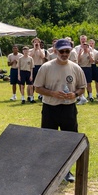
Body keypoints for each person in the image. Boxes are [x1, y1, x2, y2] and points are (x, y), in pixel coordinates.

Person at [31, 38, 86, 182]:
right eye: (61, 51)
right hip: (50, 108)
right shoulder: (46, 67)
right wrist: (52, 93)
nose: (64, 54)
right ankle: (49, 171)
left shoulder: (75, 68)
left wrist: (74, 94)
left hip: (69, 109)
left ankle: (67, 171)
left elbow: (82, 87)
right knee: (49, 141)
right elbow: (37, 88)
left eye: (67, 51)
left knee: (69, 141)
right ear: (55, 51)